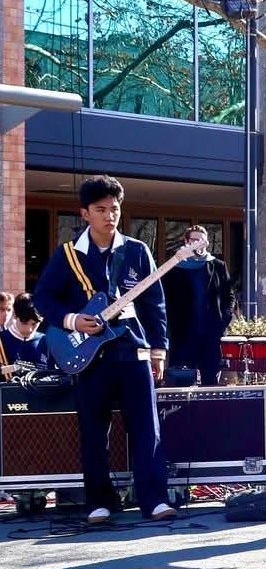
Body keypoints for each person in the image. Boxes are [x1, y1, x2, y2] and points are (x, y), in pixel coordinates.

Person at [33, 175, 174, 523]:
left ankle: (154, 499)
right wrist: (72, 321)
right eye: (101, 210)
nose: (110, 216)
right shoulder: (67, 255)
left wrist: (158, 351)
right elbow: (43, 298)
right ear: (84, 214)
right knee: (93, 431)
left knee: (146, 428)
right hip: (89, 357)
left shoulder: (137, 251)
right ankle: (98, 501)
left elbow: (155, 304)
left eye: (114, 209)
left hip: (133, 351)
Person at [161, 225, 238, 386]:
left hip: (210, 335)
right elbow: (164, 299)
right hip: (183, 335)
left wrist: (223, 319)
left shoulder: (217, 265)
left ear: (207, 243)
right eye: (194, 240)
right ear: (186, 241)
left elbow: (229, 296)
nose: (197, 243)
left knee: (210, 382)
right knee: (181, 384)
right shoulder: (174, 267)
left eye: (201, 240)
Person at [1, 293, 54, 376]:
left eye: (34, 324)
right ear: (14, 315)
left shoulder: (47, 341)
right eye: (24, 323)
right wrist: (13, 368)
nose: (29, 329)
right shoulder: (1, 340)